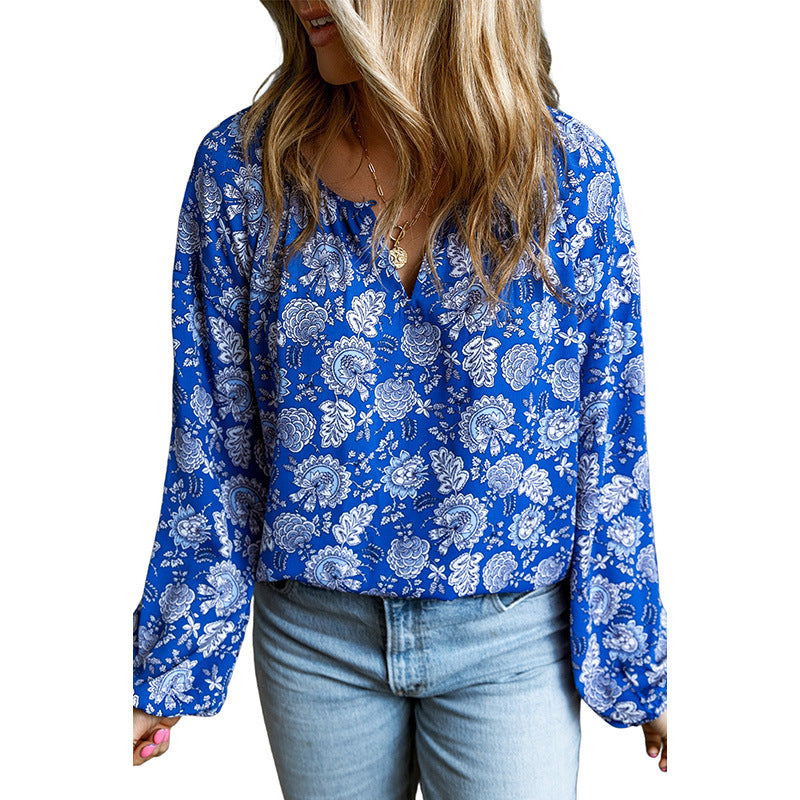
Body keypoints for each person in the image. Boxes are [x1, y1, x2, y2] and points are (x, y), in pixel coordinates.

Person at [132, 0, 668, 794]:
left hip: (514, 638)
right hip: (314, 638)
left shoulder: (566, 177)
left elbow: (611, 436)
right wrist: (169, 661)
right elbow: (213, 438)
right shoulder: (245, 172)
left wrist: (636, 657)